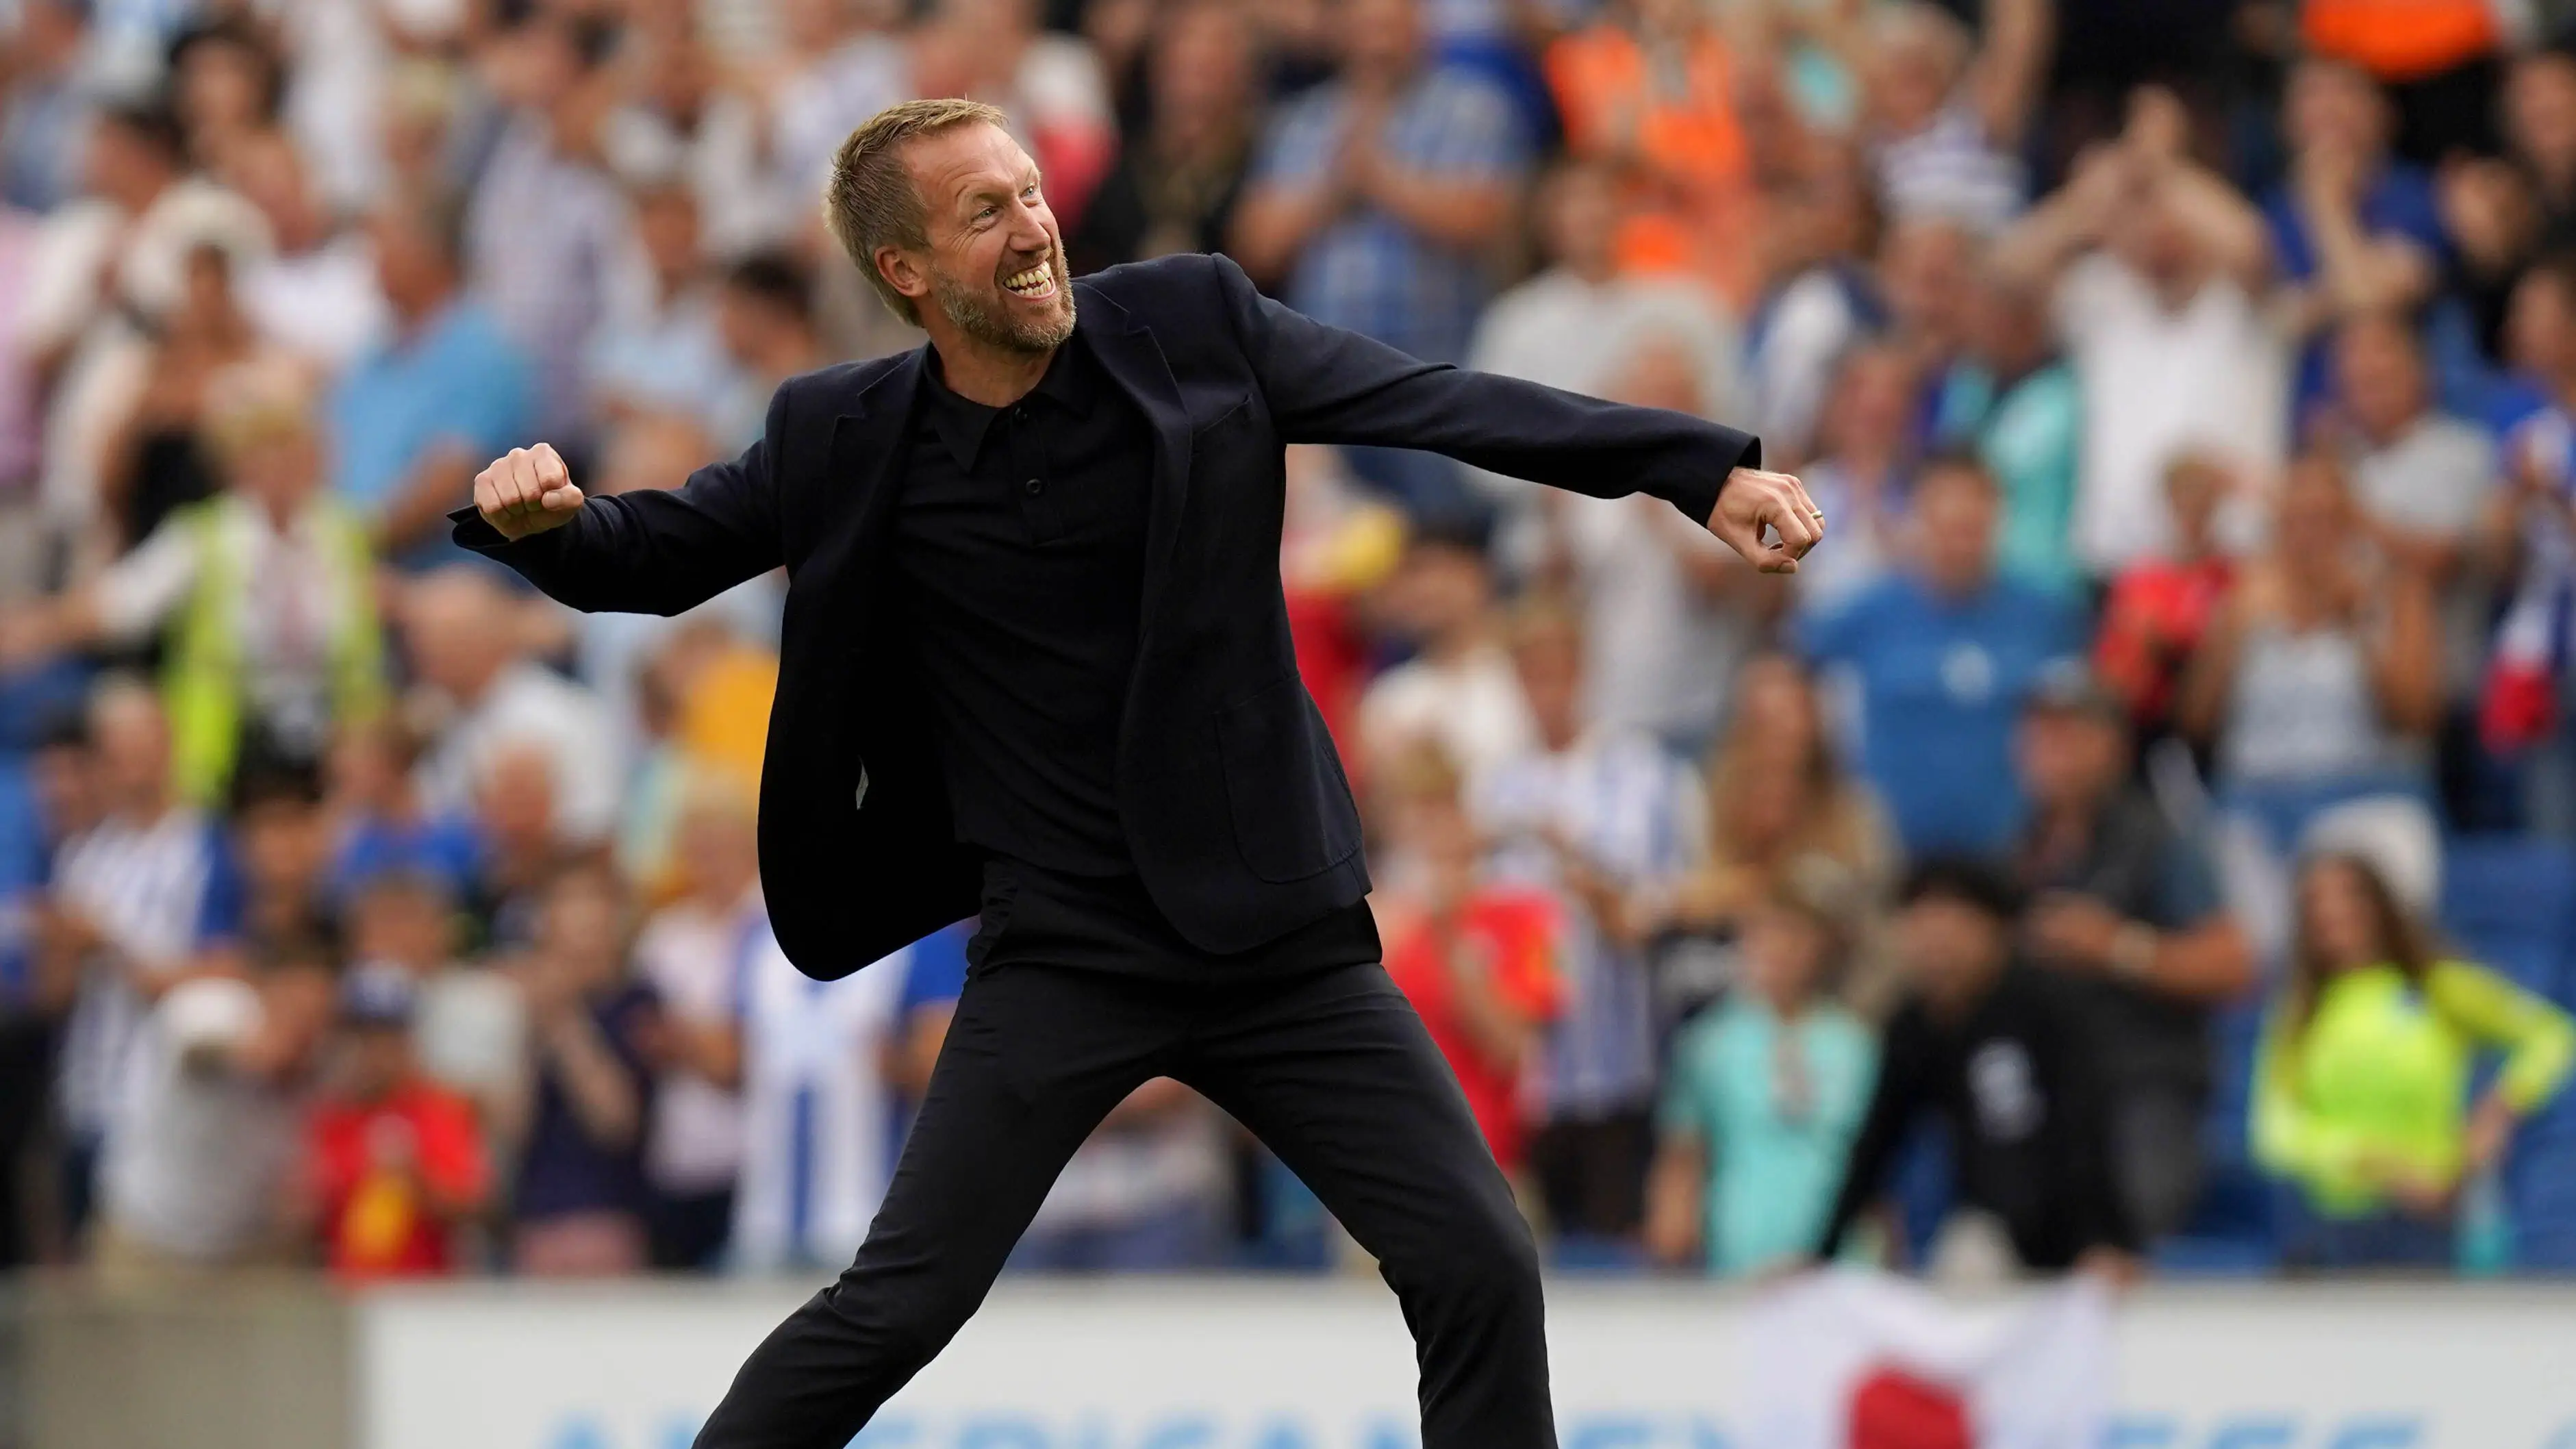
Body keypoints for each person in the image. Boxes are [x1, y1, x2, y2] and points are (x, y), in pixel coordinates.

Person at [453, 97, 1819, 1449]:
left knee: (1477, 1256)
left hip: (1277, 940)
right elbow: (657, 551)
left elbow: (1443, 404)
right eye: (984, 211)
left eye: (1032, 191)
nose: (1035, 226)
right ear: (905, 272)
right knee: (897, 1304)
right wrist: (546, 525)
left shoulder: (1193, 324)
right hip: (1067, 950)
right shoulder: (843, 432)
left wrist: (1697, 471)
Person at [1476, 600, 1704, 1239]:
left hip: (1618, 1054)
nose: (1547, 692)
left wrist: (1582, 869)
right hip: (1529, 1063)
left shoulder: (1638, 772)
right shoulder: (1499, 788)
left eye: (1559, 673)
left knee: (1615, 1234)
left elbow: (1661, 902)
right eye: (1532, 675)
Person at [2010, 665, 2255, 1244]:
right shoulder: (2021, 847)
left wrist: (2117, 947)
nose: (2055, 752)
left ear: (2114, 745)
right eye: (2042, 734)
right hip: (2048, 1087)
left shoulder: (2160, 839)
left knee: (2129, 1226)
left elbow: (2233, 963)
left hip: (2143, 1086)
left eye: (2073, 734)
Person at [1813, 859, 2136, 1276]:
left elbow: (2086, 1128)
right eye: (1920, 928)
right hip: (1992, 1234)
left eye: (1950, 927)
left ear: (1995, 930)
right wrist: (1821, 1254)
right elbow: (1876, 1145)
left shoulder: (2047, 1008)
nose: (1935, 947)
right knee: (1966, 1259)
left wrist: (2105, 1240)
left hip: (2074, 1239)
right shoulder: (1914, 1027)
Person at [2256, 852, 2576, 1269]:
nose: (2334, 914)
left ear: (2379, 905)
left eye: (2349, 898)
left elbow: (2552, 1035)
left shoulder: (2438, 987)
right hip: (2331, 1225)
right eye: (2317, 902)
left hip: (2427, 1217)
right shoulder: (2299, 1011)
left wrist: (2501, 1109)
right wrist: (2369, 1160)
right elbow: (2273, 1132)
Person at [1800, 450, 2084, 858]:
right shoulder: (1871, 611)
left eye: (1972, 527)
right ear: (1919, 521)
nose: (1959, 545)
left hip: (2010, 852)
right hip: (1890, 849)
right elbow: (1788, 671)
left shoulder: (2045, 616)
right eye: (1947, 526)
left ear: (1997, 520)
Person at [1645, 870, 1875, 1276]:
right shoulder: (1711, 1042)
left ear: (1822, 947)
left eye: (1794, 936)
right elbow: (1683, 1155)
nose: (1778, 950)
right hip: (1743, 1257)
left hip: (1845, 1263)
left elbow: (1876, 1158)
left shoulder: (1857, 1045)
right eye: (1763, 934)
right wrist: (1670, 1244)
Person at [1372, 741, 1563, 1192]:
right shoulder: (1376, 920)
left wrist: (1450, 937)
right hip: (1385, 1175)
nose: (1427, 831)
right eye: (1412, 815)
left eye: (1439, 808)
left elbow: (1513, 1050)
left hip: (1490, 1170)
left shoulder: (1528, 915)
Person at [507, 864, 660, 1276]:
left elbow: (616, 1120)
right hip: (534, 1217)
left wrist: (564, 1022)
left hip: (608, 1216)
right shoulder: (529, 1008)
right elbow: (512, 1130)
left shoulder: (636, 1002)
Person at [301, 961, 492, 1278]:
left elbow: (472, 1206)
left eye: (389, 1038)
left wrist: (415, 1177)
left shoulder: (440, 1109)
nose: (377, 1052)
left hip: (424, 1297)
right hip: (349, 1292)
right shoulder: (333, 1117)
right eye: (365, 1039)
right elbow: (307, 1213)